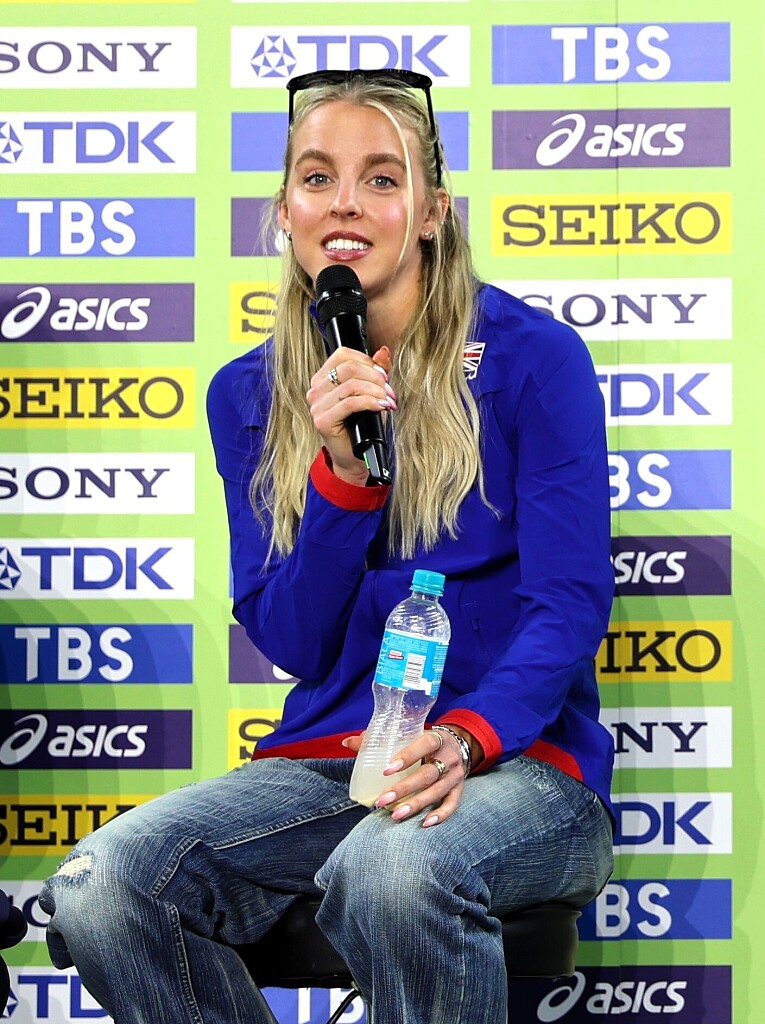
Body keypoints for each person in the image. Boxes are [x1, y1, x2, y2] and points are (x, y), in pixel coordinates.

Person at [40, 69, 615, 1024]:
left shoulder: (531, 357)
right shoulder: (246, 392)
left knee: (392, 868)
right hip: (326, 764)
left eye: (381, 179)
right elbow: (294, 642)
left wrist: (466, 736)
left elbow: (567, 601)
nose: (344, 203)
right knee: (102, 883)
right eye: (317, 178)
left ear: (431, 212)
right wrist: (344, 482)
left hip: (518, 766)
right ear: (285, 212)